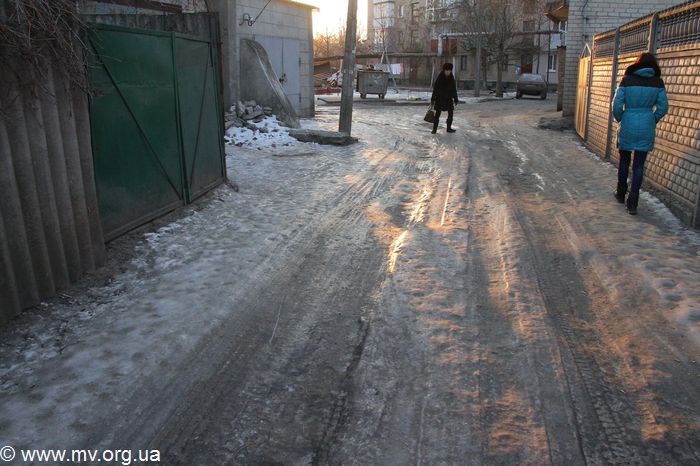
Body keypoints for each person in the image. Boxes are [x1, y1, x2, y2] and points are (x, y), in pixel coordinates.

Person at [612, 52, 668, 215]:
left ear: (638, 63)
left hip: (628, 121)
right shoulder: (658, 82)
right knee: (639, 165)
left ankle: (621, 193)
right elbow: (663, 107)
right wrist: (652, 119)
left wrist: (621, 118)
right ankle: (633, 202)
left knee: (624, 160)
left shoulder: (627, 80)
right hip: (646, 125)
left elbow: (617, 104)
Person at [431, 63, 460, 134]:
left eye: (449, 70)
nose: (448, 72)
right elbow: (435, 89)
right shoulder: (440, 77)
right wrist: (433, 99)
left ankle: (449, 128)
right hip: (440, 99)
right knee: (437, 114)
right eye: (446, 70)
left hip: (448, 99)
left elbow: (454, 89)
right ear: (444, 70)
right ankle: (434, 130)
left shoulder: (451, 78)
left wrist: (455, 99)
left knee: (450, 113)